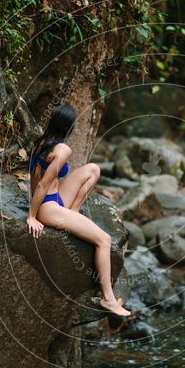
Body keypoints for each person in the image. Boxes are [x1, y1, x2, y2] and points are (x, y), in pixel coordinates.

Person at [26, 104, 131, 317]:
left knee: (93, 169)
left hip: (53, 199)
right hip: (48, 206)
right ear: (69, 127)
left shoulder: (41, 142)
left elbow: (37, 181)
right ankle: (108, 300)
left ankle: (74, 213)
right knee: (104, 240)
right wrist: (31, 216)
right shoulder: (63, 150)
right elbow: (41, 185)